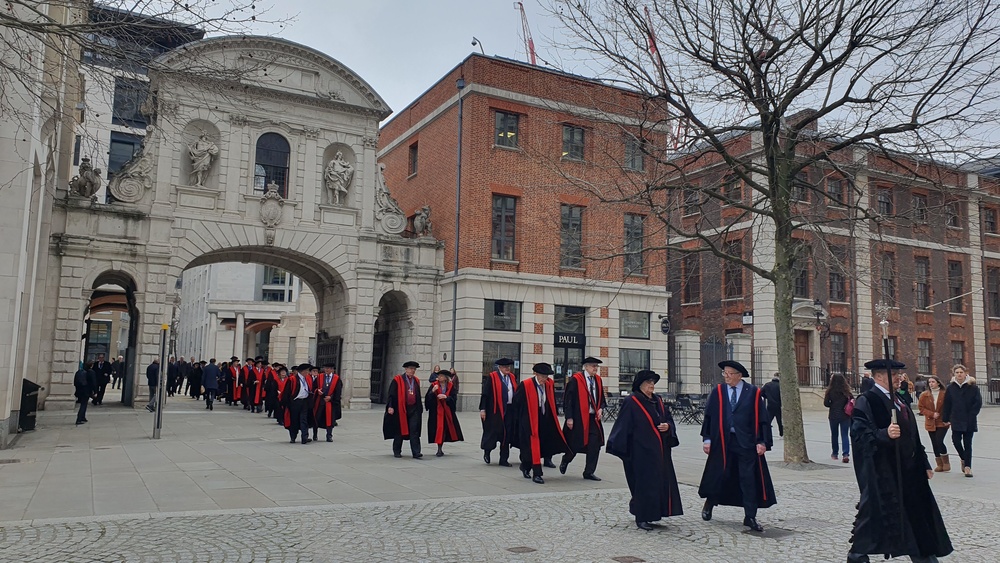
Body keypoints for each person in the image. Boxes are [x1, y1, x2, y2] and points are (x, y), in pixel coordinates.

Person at [847, 359, 952, 563]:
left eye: (899, 374)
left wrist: (924, 462)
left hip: (910, 471)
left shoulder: (900, 401)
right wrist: (883, 434)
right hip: (884, 473)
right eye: (894, 374)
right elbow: (860, 435)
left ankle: (924, 556)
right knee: (878, 518)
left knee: (915, 516)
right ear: (879, 376)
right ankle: (857, 556)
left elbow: (913, 435)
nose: (899, 378)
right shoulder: (867, 400)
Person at [698, 360, 774, 533]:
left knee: (748, 479)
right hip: (722, 442)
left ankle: (750, 516)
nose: (726, 377)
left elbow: (763, 419)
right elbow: (709, 416)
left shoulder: (753, 393)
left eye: (729, 373)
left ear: (739, 376)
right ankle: (709, 503)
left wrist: (762, 442)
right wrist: (707, 439)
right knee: (719, 474)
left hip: (746, 443)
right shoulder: (718, 391)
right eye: (724, 373)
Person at [605, 369, 682, 530]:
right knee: (643, 485)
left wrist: (667, 426)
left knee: (658, 483)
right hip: (640, 452)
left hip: (659, 453)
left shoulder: (658, 401)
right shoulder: (632, 401)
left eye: (653, 383)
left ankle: (655, 513)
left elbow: (668, 419)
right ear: (640, 385)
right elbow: (623, 425)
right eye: (648, 383)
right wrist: (622, 449)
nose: (651, 386)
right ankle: (641, 516)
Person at [509, 362, 569, 484]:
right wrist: (519, 422)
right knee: (530, 448)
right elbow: (516, 403)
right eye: (542, 376)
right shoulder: (525, 385)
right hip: (528, 421)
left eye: (546, 376)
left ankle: (525, 466)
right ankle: (536, 473)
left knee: (540, 446)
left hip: (543, 420)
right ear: (535, 374)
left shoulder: (549, 384)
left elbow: (550, 401)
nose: (544, 379)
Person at [559, 356, 607, 481]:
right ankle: (566, 459)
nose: (595, 368)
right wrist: (569, 418)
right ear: (585, 367)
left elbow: (602, 399)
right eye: (593, 366)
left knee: (594, 445)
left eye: (596, 366)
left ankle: (589, 472)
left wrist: (601, 408)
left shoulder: (598, 380)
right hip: (579, 418)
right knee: (575, 444)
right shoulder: (576, 380)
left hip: (593, 419)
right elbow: (568, 400)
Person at [942, 364, 982, 478]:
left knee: (968, 443)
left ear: (965, 373)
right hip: (956, 418)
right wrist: (945, 418)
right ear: (954, 374)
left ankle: (968, 467)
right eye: (957, 372)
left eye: (961, 372)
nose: (959, 374)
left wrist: (972, 415)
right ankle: (963, 458)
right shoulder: (951, 388)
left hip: (969, 419)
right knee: (956, 440)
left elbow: (978, 402)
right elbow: (947, 404)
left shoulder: (973, 387)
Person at [480, 358, 518, 466]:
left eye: (509, 367)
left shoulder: (512, 377)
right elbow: (485, 394)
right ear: (500, 367)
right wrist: (483, 409)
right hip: (495, 411)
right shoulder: (492, 377)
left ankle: (503, 459)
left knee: (507, 435)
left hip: (509, 410)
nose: (508, 368)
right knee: (492, 433)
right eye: (505, 367)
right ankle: (487, 452)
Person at [383, 361, 424, 459]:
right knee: (399, 430)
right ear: (406, 369)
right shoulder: (397, 380)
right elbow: (391, 394)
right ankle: (397, 450)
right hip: (400, 409)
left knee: (414, 431)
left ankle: (416, 452)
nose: (412, 371)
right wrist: (390, 406)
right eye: (410, 368)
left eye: (414, 369)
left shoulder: (416, 381)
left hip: (413, 409)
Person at [426, 369, 463, 456]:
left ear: (446, 378)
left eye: (441, 376)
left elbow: (454, 399)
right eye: (438, 376)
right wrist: (432, 392)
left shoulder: (451, 386)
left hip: (447, 412)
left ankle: (440, 448)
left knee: (444, 429)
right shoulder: (433, 386)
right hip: (436, 412)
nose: (439, 377)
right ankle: (439, 448)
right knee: (438, 429)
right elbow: (428, 399)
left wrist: (446, 397)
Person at [917, 376, 950, 473]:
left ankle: (946, 462)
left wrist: (948, 419)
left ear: (938, 383)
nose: (931, 384)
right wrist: (931, 414)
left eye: (933, 382)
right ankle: (939, 464)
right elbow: (921, 408)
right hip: (930, 421)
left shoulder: (945, 394)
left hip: (942, 421)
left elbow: (950, 406)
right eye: (929, 382)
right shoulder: (924, 395)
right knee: (934, 443)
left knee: (939, 441)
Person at [280, 364, 315, 444]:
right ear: (303, 371)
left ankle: (304, 437)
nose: (308, 372)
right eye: (307, 371)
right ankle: (293, 437)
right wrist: (287, 403)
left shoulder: (308, 379)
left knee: (304, 420)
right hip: (295, 402)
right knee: (294, 420)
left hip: (305, 402)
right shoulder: (292, 379)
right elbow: (287, 392)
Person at [824, 373, 854, 464]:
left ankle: (835, 453)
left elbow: (826, 403)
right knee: (845, 435)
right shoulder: (846, 391)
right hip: (845, 415)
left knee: (834, 435)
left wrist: (832, 404)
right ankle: (845, 454)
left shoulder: (830, 391)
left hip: (833, 415)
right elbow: (852, 400)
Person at [313, 362, 343, 442]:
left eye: (328, 368)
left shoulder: (337, 379)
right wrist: (317, 391)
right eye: (325, 368)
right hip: (320, 401)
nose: (326, 369)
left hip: (330, 403)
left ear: (332, 370)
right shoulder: (319, 377)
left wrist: (331, 397)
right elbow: (314, 387)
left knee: (330, 420)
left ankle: (329, 435)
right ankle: (315, 435)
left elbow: (338, 391)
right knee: (316, 418)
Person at [762, 373, 782, 437]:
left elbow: (761, 392)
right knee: (779, 420)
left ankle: (765, 432)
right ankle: (781, 433)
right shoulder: (780, 385)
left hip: (770, 405)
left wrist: (766, 396)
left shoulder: (767, 385)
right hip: (778, 405)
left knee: (768, 420)